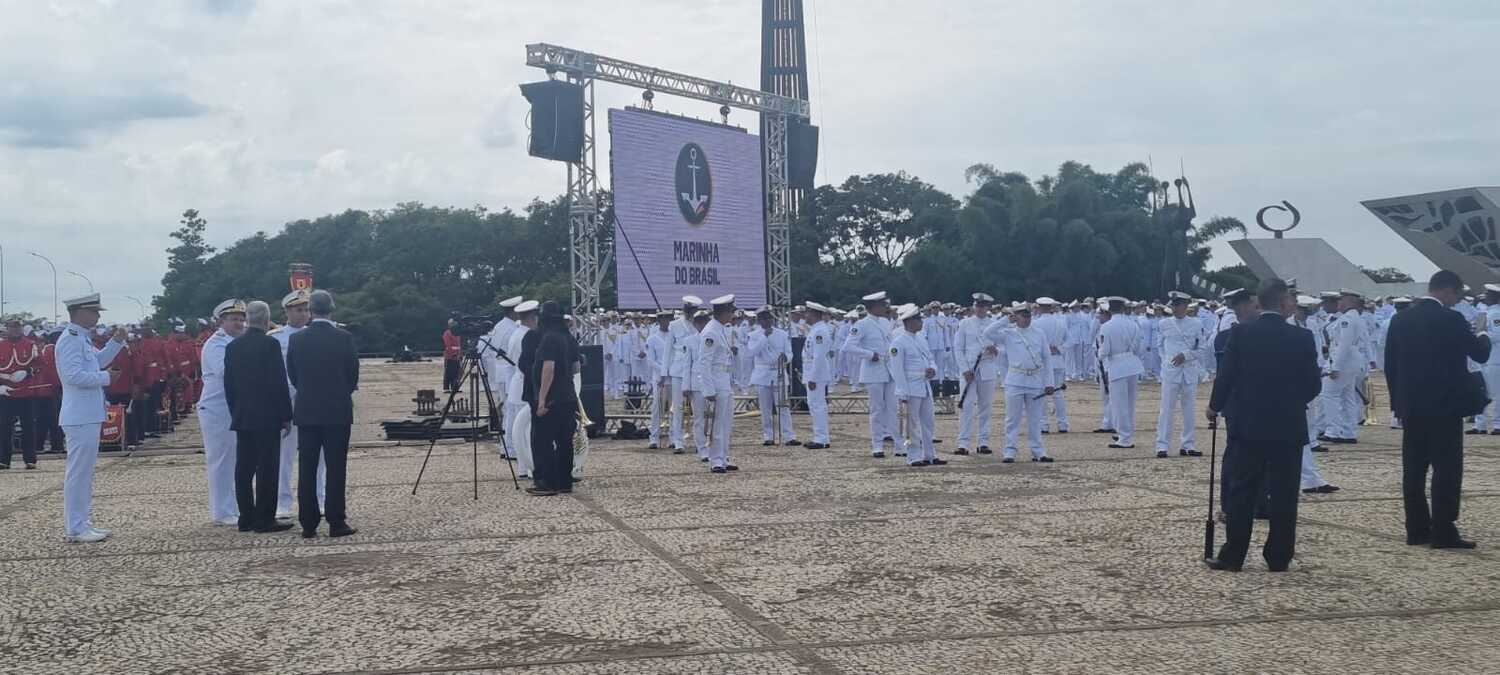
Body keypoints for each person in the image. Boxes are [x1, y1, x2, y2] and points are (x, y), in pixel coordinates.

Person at [1204, 278, 1321, 572]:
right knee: (1284, 493)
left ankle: (1233, 555)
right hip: (1288, 425)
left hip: (1248, 424)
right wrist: (1291, 402)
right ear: (1282, 303)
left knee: (1242, 491)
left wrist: (1214, 407)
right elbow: (1313, 385)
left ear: (1259, 303)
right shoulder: (1302, 338)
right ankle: (1279, 556)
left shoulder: (1241, 333)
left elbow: (1226, 376)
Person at [1384, 270, 1492, 549]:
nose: (1456, 301)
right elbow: (1479, 353)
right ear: (1447, 290)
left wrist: (1398, 403)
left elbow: (1391, 365)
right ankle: (1443, 530)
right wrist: (1483, 334)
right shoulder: (1451, 319)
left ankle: (1417, 529)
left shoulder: (1400, 319)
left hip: (1412, 406)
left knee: (1414, 469)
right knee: (1446, 469)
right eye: (1456, 295)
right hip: (1446, 406)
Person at [286, 290, 360, 538]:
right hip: (337, 410)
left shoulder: (297, 340)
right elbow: (352, 376)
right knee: (336, 467)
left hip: (307, 410)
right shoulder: (344, 338)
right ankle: (336, 520)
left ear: (311, 310)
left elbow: (293, 375)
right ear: (332, 309)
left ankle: (308, 522)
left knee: (307, 466)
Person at [56, 294, 127, 542]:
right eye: (94, 312)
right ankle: (75, 527)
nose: (98, 317)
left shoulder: (82, 339)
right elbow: (73, 376)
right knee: (78, 473)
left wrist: (116, 343)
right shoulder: (70, 340)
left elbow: (96, 362)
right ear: (78, 313)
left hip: (86, 413)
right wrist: (107, 379)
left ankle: (82, 522)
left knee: (84, 473)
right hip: (79, 414)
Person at [224, 301, 296, 534]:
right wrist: (286, 415)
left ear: (247, 319)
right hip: (267, 416)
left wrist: (235, 411)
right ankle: (265, 518)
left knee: (243, 468)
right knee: (267, 468)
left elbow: (229, 386)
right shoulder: (270, 344)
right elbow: (277, 383)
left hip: (243, 415)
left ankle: (245, 516)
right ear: (266, 320)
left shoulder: (233, 346)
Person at [270, 289, 323, 520]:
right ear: (288, 311)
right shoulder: (275, 337)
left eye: (306, 310)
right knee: (284, 455)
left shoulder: (317, 335)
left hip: (312, 399)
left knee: (318, 455)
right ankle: (283, 501)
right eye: (299, 310)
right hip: (286, 401)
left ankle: (320, 498)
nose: (303, 315)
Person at [986, 301, 1057, 462]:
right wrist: (1005, 320)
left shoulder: (1039, 333)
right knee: (1012, 418)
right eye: (1023, 316)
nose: (1026, 319)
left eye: (1028, 315)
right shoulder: (1008, 333)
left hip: (1035, 380)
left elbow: (1047, 359)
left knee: (1035, 418)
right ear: (1015, 317)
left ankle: (1038, 451)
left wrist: (1049, 382)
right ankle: (1010, 450)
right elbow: (987, 333)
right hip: (1015, 380)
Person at [198, 299, 246, 526]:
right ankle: (222, 511)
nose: (239, 323)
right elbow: (225, 372)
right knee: (221, 460)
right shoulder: (216, 344)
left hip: (234, 408)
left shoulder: (239, 342)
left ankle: (233, 506)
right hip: (217, 409)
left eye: (241, 319)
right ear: (221, 321)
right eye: (233, 319)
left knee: (236, 460)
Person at [528, 301, 581, 493]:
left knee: (544, 440)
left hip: (552, 397)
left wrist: (541, 400)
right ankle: (564, 481)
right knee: (565, 441)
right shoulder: (569, 337)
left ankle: (547, 482)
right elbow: (576, 368)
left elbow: (548, 368)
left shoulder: (549, 338)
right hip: (568, 395)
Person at [1156, 291, 1207, 458]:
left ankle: (1188, 444)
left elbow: (1201, 348)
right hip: (1171, 372)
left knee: (1189, 410)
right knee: (1166, 409)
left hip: (1189, 371)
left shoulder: (1196, 324)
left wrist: (1185, 355)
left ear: (1186, 306)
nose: (1176, 308)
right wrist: (1167, 361)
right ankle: (1162, 446)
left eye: (1179, 305)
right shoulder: (1164, 323)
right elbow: (1160, 346)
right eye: (1174, 305)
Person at [891, 305, 942, 467]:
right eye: (918, 319)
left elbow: (931, 359)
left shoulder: (920, 339)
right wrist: (902, 391)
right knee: (911, 424)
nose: (921, 322)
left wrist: (933, 370)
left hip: (924, 385)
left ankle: (930, 454)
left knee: (929, 422)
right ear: (909, 322)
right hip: (910, 387)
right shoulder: (898, 342)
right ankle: (913, 456)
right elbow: (896, 370)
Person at [694, 295, 738, 473]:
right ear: (724, 312)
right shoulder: (711, 331)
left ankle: (723, 456)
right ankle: (716, 460)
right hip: (716, 381)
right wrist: (708, 389)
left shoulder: (721, 328)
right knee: (717, 424)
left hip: (724, 380)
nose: (732, 315)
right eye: (731, 312)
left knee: (726, 422)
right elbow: (704, 362)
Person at [1320, 289, 1370, 445]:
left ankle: (1333, 431)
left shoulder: (1347, 319)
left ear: (1350, 301)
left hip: (1344, 362)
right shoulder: (1355, 317)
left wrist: (1335, 367)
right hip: (1352, 362)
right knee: (1347, 397)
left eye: (1341, 300)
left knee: (1329, 395)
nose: (1338, 304)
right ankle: (1348, 431)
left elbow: (1343, 345)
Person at [953, 293, 999, 455]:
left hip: (987, 368)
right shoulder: (965, 323)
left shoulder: (994, 324)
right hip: (969, 370)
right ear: (974, 306)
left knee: (985, 407)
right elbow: (958, 348)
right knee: (966, 406)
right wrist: (964, 369)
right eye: (977, 305)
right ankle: (963, 443)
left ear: (988, 308)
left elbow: (1005, 346)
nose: (980, 309)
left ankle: (983, 442)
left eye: (983, 306)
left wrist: (997, 350)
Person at [749, 306, 798, 447]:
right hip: (762, 373)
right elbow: (752, 351)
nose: (767, 321)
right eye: (764, 318)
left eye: (769, 318)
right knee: (765, 408)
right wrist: (764, 336)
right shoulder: (754, 335)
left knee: (783, 406)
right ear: (759, 320)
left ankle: (789, 436)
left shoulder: (782, 334)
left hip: (779, 373)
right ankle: (768, 436)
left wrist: (786, 358)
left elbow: (789, 352)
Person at [1099, 297, 1145, 449]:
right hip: (1133, 364)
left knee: (1119, 404)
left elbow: (1105, 350)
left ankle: (1124, 438)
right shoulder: (1133, 324)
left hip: (1117, 365)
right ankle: (1125, 433)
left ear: (1110, 310)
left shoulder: (1107, 326)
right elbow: (1139, 347)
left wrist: (1100, 356)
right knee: (1130, 403)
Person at [505, 300, 540, 476]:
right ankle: (531, 466)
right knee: (528, 429)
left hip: (516, 382)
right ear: (533, 318)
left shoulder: (515, 333)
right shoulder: (529, 336)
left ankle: (522, 467)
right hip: (526, 381)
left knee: (519, 428)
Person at [0, 318, 41, 469]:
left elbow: (39, 365)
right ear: (7, 329)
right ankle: (3, 460)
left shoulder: (30, 345)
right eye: (12, 327)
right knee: (3, 428)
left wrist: (27, 372)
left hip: (26, 393)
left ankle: (30, 459)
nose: (15, 330)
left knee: (29, 427)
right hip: (6, 393)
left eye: (17, 327)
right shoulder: (1, 345)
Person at [1032, 298, 1070, 434]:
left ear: (1040, 307)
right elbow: (1069, 341)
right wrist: (1059, 348)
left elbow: (1033, 343)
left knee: (1041, 393)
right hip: (1057, 360)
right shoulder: (1060, 323)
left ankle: (1044, 424)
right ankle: (1063, 424)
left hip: (1042, 362)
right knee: (1058, 394)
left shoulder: (1036, 323)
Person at [800, 302, 835, 449]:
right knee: (815, 405)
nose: (805, 316)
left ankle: (821, 438)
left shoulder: (820, 331)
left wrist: (812, 377)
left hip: (816, 373)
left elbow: (819, 356)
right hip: (813, 371)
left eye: (808, 313)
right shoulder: (816, 330)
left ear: (814, 314)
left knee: (817, 405)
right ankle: (820, 437)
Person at [645, 310, 676, 450]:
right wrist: (664, 370)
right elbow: (651, 361)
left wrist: (670, 369)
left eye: (669, 319)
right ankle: (653, 438)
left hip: (673, 377)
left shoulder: (674, 336)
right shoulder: (652, 339)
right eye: (664, 319)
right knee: (657, 409)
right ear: (660, 321)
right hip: (659, 379)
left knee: (674, 409)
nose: (667, 322)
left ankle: (673, 438)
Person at [441, 318, 462, 393]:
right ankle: (446, 388)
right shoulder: (447, 333)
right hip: (449, 356)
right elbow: (448, 345)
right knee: (448, 372)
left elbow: (459, 345)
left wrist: (459, 354)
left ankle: (455, 387)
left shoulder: (457, 333)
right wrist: (453, 354)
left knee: (456, 372)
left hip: (457, 356)